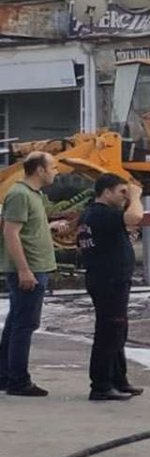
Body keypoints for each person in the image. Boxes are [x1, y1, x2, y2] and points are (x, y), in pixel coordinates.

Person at [0, 152, 68, 397]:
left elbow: (24, 229)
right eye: (52, 167)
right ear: (39, 170)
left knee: (16, 323)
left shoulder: (33, 195)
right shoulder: (19, 194)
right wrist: (23, 269)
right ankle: (18, 380)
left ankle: (6, 376)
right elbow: (11, 233)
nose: (56, 171)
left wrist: (48, 227)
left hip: (35, 266)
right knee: (25, 324)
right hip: (30, 269)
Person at [77, 173, 145, 401]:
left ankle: (118, 379)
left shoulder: (96, 215)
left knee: (118, 331)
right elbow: (135, 216)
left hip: (111, 279)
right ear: (106, 192)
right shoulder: (99, 214)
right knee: (108, 332)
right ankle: (101, 385)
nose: (124, 196)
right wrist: (135, 196)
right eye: (121, 192)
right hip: (108, 281)